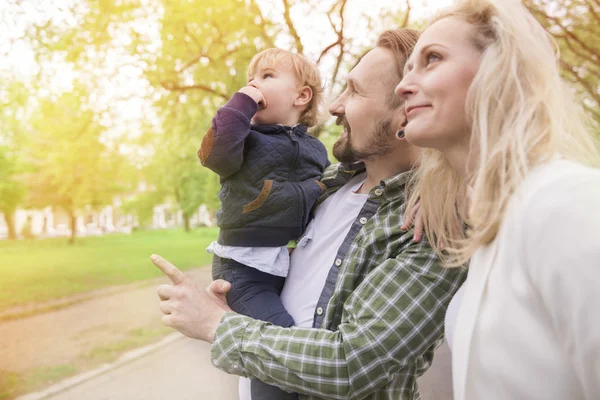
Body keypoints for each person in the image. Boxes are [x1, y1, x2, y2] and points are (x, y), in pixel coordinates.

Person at [152, 29, 467, 400]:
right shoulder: (327, 186)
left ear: (406, 111)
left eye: (354, 92)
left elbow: (350, 365)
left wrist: (215, 325)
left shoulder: (430, 225)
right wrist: (240, 301)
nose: (333, 106)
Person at [395, 1, 600, 399]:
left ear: (498, 69)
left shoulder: (564, 202)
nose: (403, 86)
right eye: (407, 70)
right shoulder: (489, 230)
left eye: (432, 58)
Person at [198, 48, 330, 399]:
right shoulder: (243, 139)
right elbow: (214, 155)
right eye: (250, 79)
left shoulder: (316, 150)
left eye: (268, 75)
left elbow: (336, 186)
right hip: (241, 268)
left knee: (292, 334)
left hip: (282, 264)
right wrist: (240, 104)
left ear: (302, 96)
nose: (254, 83)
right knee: (277, 338)